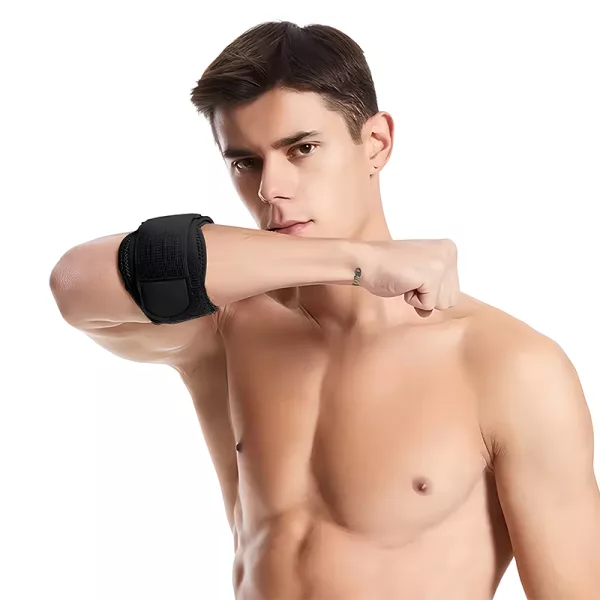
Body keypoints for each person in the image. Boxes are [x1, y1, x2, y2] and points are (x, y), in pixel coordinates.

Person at [49, 20, 600, 600]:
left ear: (376, 143)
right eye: (245, 162)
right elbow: (75, 284)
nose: (270, 189)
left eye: (302, 149)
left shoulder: (510, 367)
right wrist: (355, 261)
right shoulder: (226, 329)